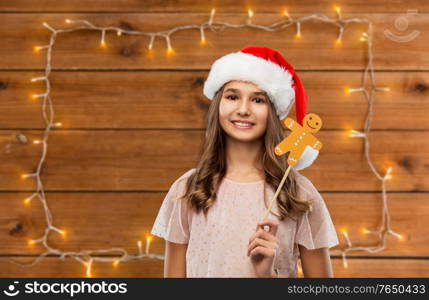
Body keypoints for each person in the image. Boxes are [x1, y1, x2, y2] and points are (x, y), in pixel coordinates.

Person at [150, 45, 339, 278]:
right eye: (232, 96)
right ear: (218, 104)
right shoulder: (188, 189)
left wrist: (267, 276)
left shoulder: (298, 194)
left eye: (258, 100)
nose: (243, 109)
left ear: (272, 112)